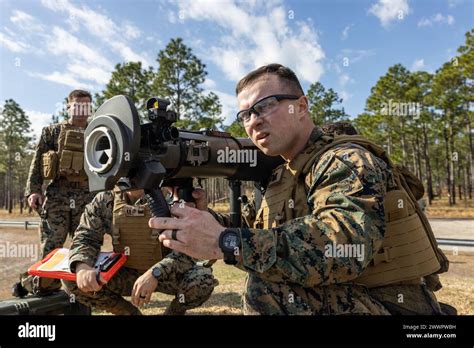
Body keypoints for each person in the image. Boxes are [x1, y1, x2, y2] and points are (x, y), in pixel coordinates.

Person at [149, 63, 449, 315]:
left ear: (301, 107)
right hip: (348, 296)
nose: (254, 121)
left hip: (396, 304)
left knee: (266, 290)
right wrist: (208, 222)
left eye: (264, 106)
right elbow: (254, 230)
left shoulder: (345, 160)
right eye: (245, 115)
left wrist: (225, 241)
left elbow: (341, 246)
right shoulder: (283, 174)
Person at [62, 188, 218, 315]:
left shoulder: (172, 200)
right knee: (71, 277)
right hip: (125, 274)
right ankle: (128, 313)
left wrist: (156, 273)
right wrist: (83, 266)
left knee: (202, 280)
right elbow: (86, 237)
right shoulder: (105, 200)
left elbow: (189, 250)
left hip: (167, 276)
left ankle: (174, 313)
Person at [14, 90, 96, 296]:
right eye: (77, 105)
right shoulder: (51, 132)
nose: (81, 109)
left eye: (86, 105)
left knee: (86, 246)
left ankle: (84, 291)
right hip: (58, 196)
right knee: (51, 247)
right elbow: (37, 163)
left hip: (87, 198)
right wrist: (33, 191)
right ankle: (39, 288)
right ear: (68, 107)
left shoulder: (97, 133)